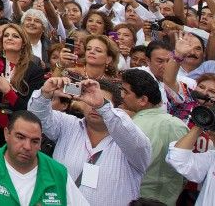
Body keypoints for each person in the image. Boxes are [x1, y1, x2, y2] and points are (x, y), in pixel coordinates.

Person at [28, 76, 150, 206]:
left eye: (100, 102)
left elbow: (138, 145)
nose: (94, 106)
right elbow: (35, 118)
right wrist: (45, 94)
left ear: (114, 107)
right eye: (89, 101)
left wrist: (102, 106)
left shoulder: (129, 138)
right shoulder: (67, 125)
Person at [0, 110, 89, 206]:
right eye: (20, 137)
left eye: (34, 141)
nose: (27, 146)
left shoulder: (58, 173)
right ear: (7, 134)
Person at [119, 68, 188, 205]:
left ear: (143, 100)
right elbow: (185, 174)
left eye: (126, 92)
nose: (121, 95)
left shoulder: (130, 128)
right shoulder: (180, 126)